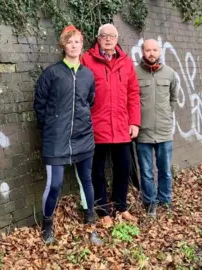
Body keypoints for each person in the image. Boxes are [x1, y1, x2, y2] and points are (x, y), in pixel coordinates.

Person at [33, 25, 102, 245]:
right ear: (64, 45)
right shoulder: (51, 73)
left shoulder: (88, 75)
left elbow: (88, 102)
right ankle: (48, 224)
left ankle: (91, 222)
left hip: (83, 138)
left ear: (82, 46)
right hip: (57, 140)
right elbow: (40, 104)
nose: (74, 45)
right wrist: (53, 126)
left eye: (78, 42)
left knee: (86, 181)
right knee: (55, 184)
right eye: (70, 42)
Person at [81, 24, 141, 225]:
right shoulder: (87, 60)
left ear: (117, 39)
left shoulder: (125, 62)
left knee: (123, 168)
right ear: (98, 39)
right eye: (104, 36)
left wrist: (134, 121)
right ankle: (103, 212)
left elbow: (133, 93)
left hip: (121, 127)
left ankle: (121, 206)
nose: (108, 39)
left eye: (112, 36)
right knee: (97, 172)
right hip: (96, 127)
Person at [135, 39, 177, 217]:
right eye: (148, 50)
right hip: (143, 132)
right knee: (146, 171)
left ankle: (165, 200)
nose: (151, 53)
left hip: (164, 132)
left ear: (159, 52)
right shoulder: (134, 73)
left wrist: (166, 116)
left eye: (154, 50)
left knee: (165, 170)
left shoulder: (170, 73)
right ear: (142, 52)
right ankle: (150, 202)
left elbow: (173, 99)